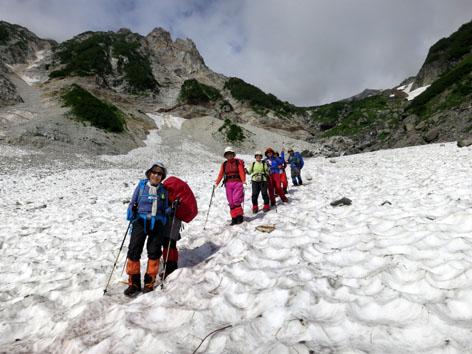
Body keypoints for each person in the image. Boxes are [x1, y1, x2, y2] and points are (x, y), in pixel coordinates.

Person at [124, 162, 173, 296]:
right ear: (149, 173)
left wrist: (172, 208)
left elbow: (164, 210)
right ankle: (133, 282)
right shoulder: (141, 187)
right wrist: (132, 209)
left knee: (154, 252)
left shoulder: (163, 191)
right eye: (154, 172)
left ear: (162, 176)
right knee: (134, 250)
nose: (156, 175)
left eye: (159, 174)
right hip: (140, 221)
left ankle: (149, 282)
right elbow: (131, 203)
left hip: (157, 223)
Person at [215, 147, 247, 225]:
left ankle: (239, 217)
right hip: (228, 184)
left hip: (238, 183)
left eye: (230, 154)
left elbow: (241, 172)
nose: (229, 155)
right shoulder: (224, 164)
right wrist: (216, 183)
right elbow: (221, 174)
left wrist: (243, 182)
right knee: (231, 202)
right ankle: (234, 218)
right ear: (225, 156)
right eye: (227, 154)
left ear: (233, 154)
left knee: (236, 200)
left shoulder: (237, 162)